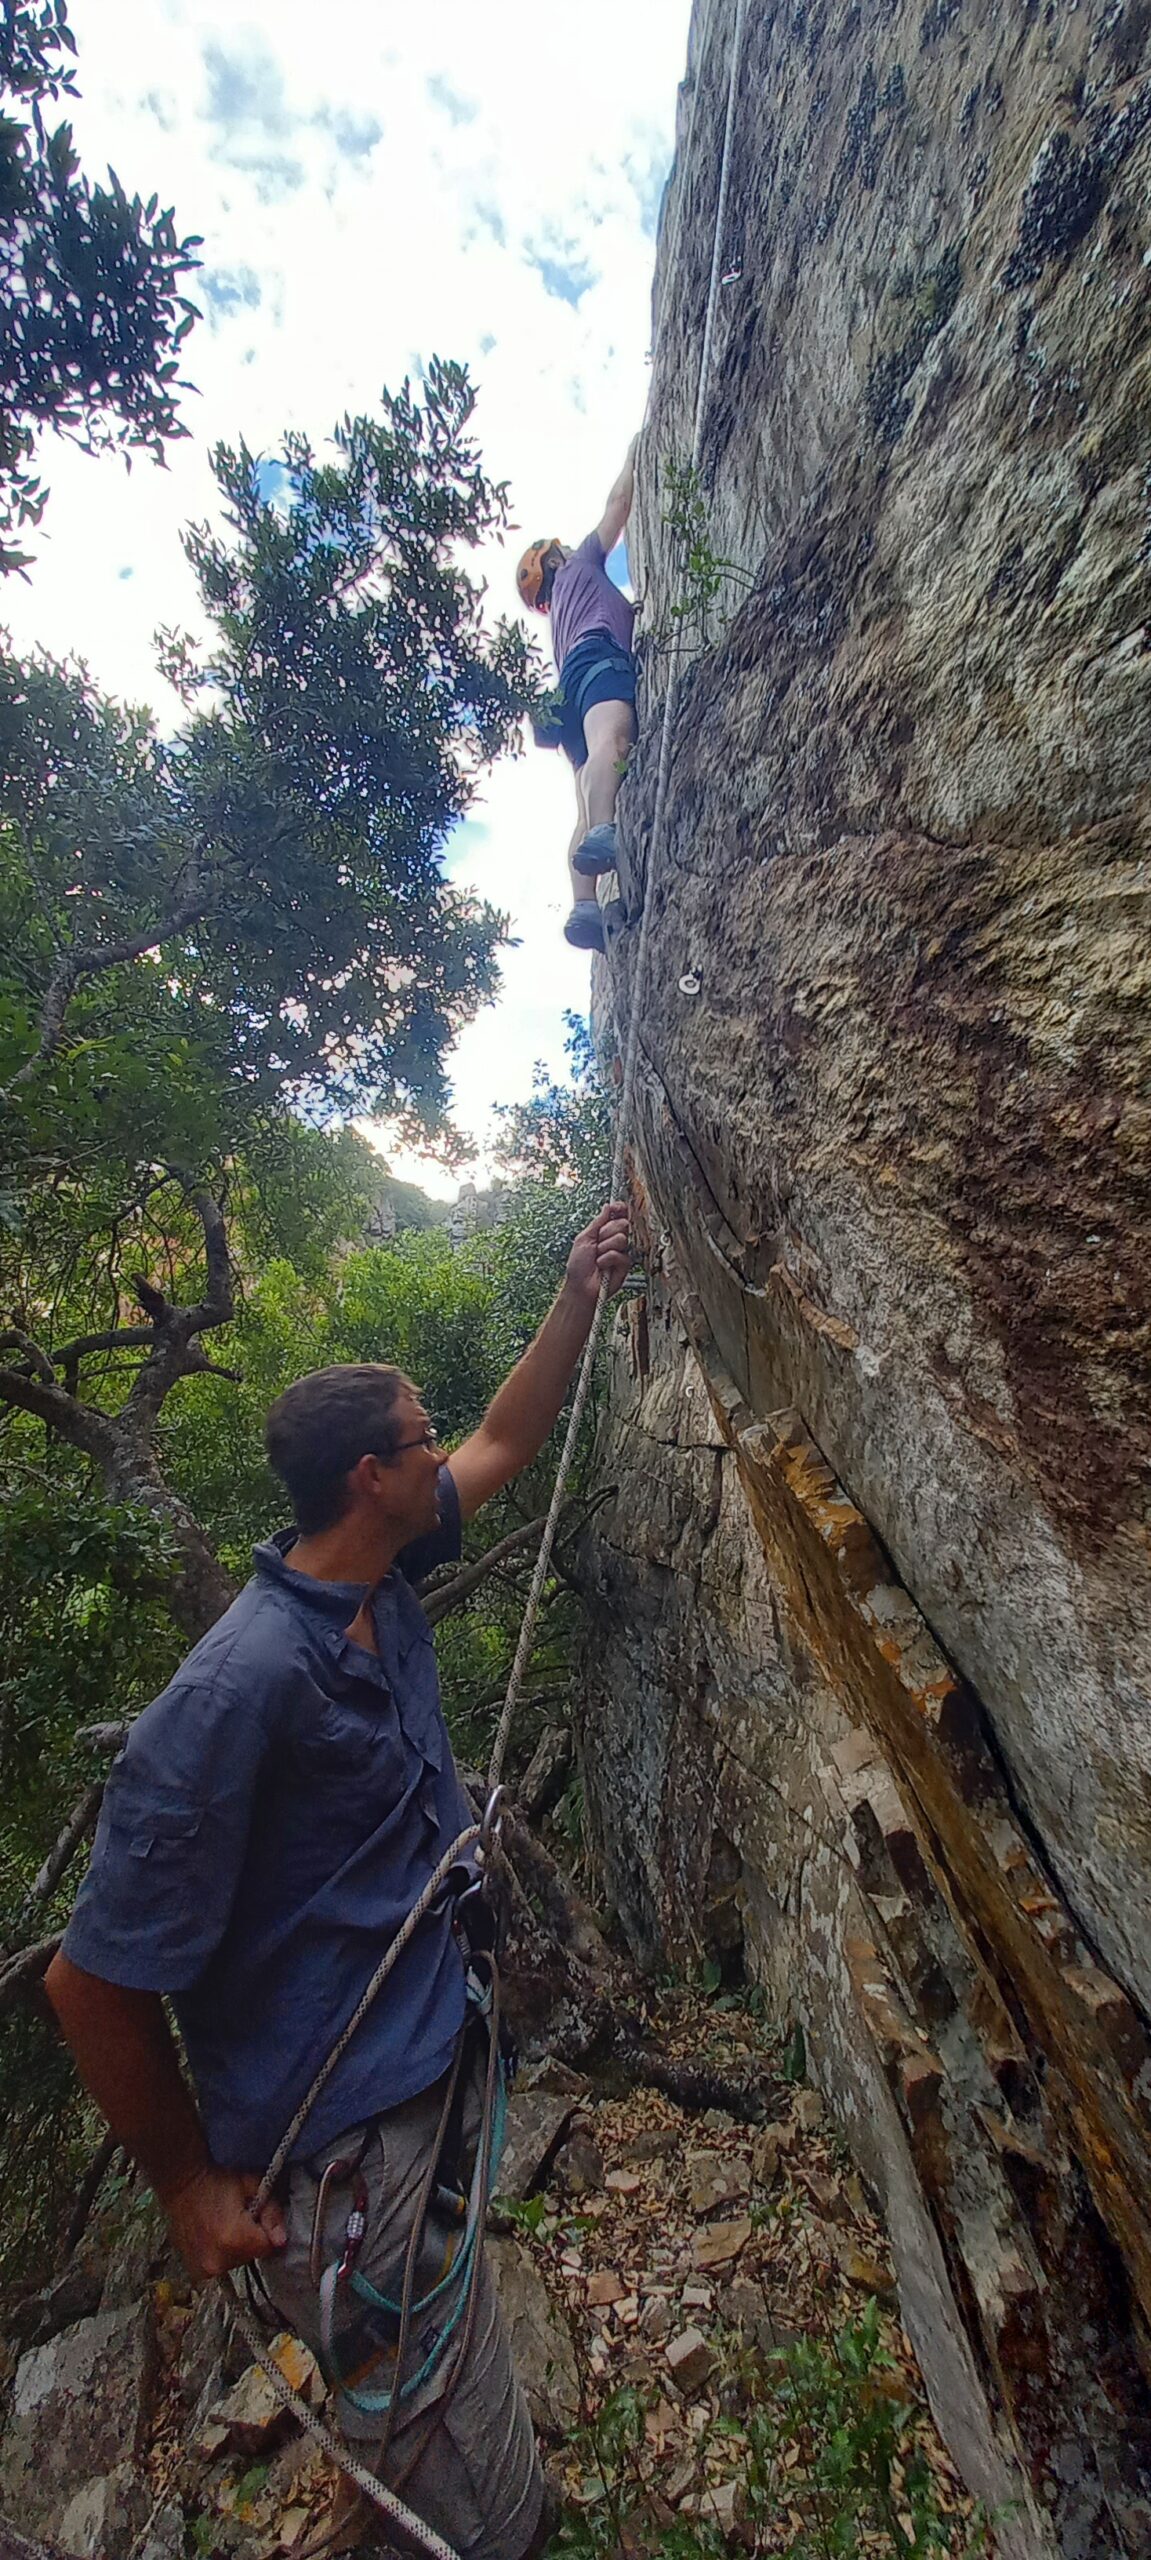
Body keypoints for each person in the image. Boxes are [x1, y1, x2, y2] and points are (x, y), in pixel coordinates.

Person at [44, 1202, 631, 2560]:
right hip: (341, 2163)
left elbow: (507, 1439)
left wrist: (575, 1290)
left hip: (414, 2093)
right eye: (417, 1441)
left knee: (432, 2441)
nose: (441, 1455)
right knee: (478, 2518)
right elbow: (89, 1984)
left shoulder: (376, 1579)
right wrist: (188, 2189)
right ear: (371, 1475)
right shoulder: (236, 1690)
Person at [517, 436, 638, 954]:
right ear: (556, 558)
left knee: (587, 788)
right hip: (596, 663)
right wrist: (636, 452)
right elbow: (618, 507)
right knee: (612, 738)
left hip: (566, 693)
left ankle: (583, 904)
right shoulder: (580, 567)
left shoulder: (558, 619)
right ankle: (607, 830)